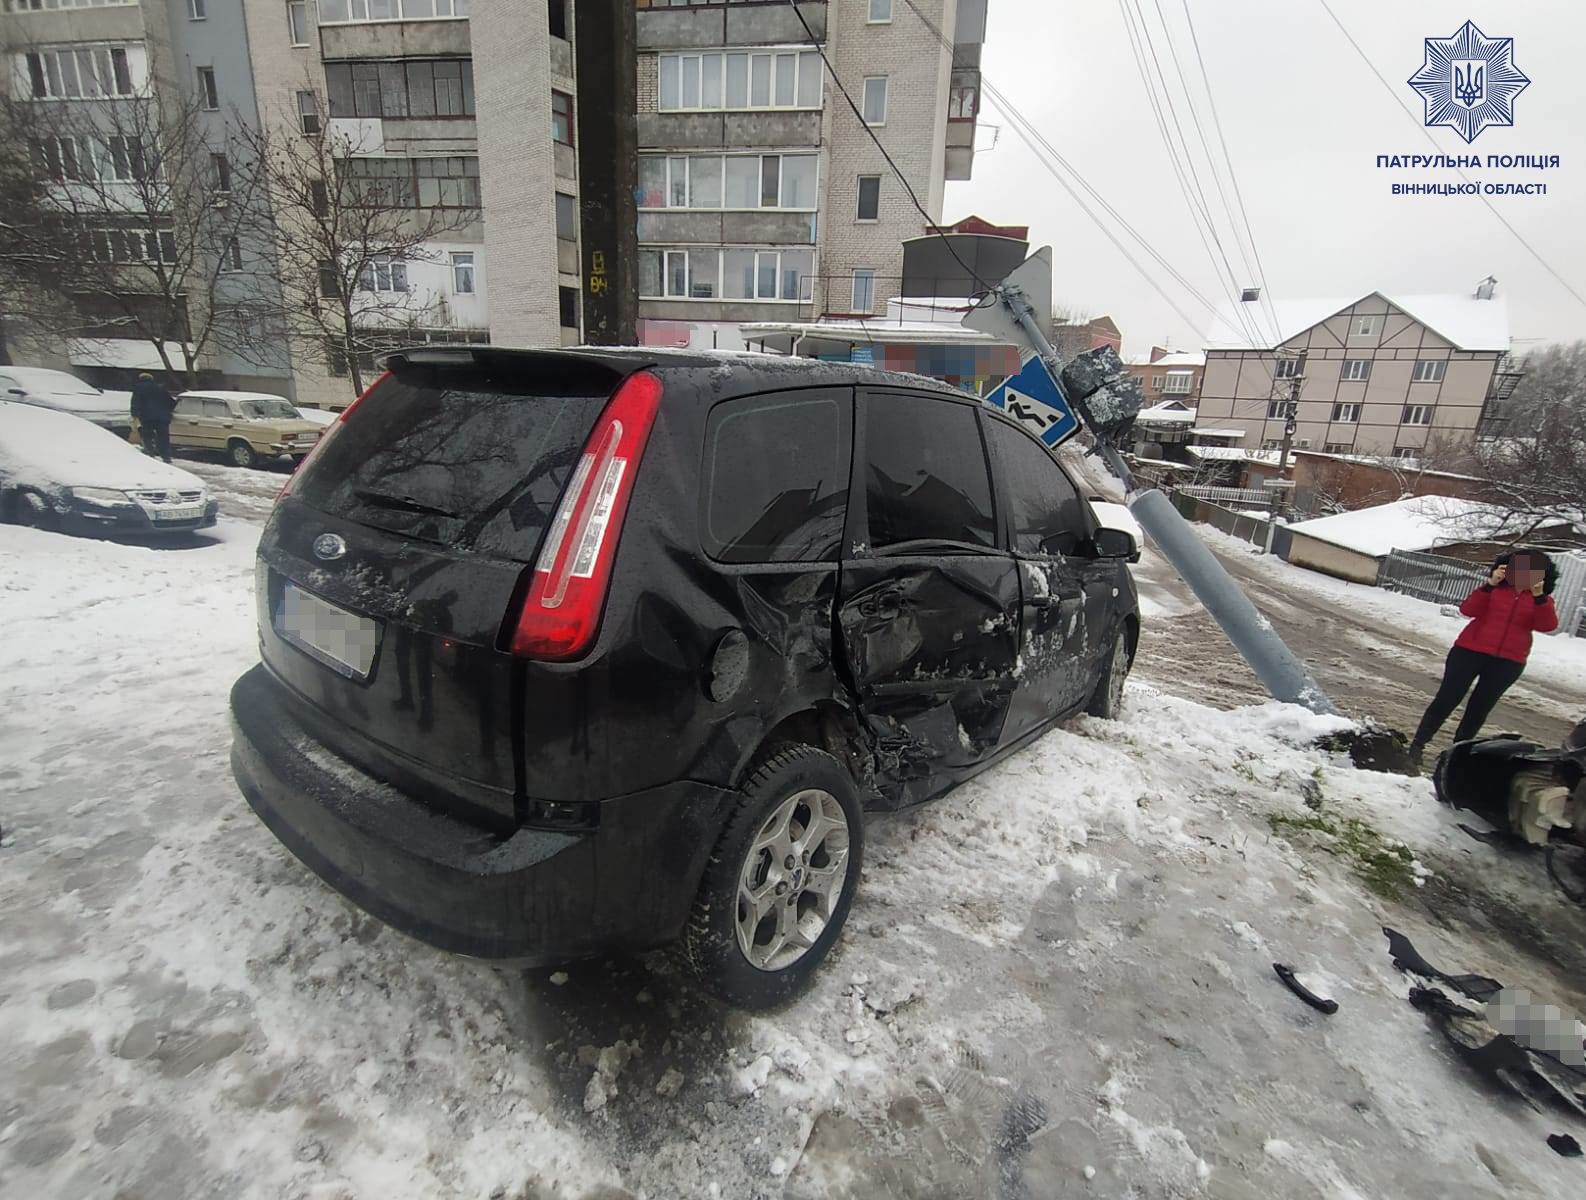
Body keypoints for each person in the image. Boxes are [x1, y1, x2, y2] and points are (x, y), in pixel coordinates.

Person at [1408, 548, 1560, 766]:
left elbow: (1547, 626)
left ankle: (1456, 758)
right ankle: (1417, 746)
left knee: (1478, 710)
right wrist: (1490, 584)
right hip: (1468, 651)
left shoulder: (1542, 600)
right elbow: (1468, 609)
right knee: (1447, 699)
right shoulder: (1494, 589)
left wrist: (1539, 597)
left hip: (1508, 662)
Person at [130, 372, 176, 463]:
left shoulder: (138, 388)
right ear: (152, 379)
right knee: (163, 437)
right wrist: (166, 412)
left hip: (146, 417)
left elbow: (135, 402)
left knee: (147, 435)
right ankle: (166, 456)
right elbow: (172, 403)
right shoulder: (160, 388)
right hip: (162, 418)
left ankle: (150, 453)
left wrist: (134, 414)